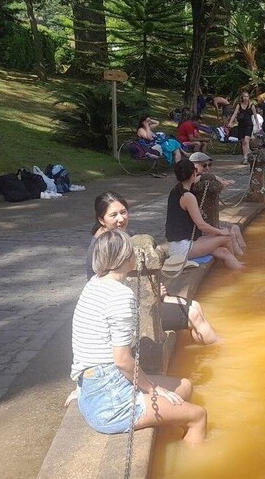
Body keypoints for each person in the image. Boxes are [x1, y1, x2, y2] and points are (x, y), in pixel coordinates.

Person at [72, 229, 208, 443]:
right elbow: (122, 360)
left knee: (186, 386)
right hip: (111, 399)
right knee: (199, 416)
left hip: (94, 386)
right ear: (127, 258)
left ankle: (174, 438)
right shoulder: (120, 295)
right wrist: (153, 389)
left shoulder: (93, 284)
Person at [86, 192, 220, 345]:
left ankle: (206, 351)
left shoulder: (121, 235)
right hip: (125, 308)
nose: (121, 219)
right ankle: (218, 349)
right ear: (101, 220)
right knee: (194, 315)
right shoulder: (102, 247)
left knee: (195, 305)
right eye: (113, 215)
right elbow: (109, 288)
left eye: (123, 212)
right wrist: (154, 294)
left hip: (138, 296)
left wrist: (157, 290)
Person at [166, 159, 243, 270]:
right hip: (182, 248)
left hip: (182, 243)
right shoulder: (188, 196)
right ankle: (239, 263)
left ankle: (237, 270)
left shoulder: (176, 190)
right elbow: (202, 226)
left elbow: (200, 178)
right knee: (227, 237)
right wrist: (221, 231)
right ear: (193, 173)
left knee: (224, 252)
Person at [227, 91, 259, 164]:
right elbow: (234, 114)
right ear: (242, 97)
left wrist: (257, 125)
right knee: (243, 141)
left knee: (246, 140)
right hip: (241, 125)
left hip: (249, 125)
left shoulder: (251, 105)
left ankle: (246, 157)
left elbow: (255, 115)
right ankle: (245, 155)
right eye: (244, 96)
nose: (246, 98)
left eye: (247, 96)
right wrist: (230, 122)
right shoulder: (239, 105)